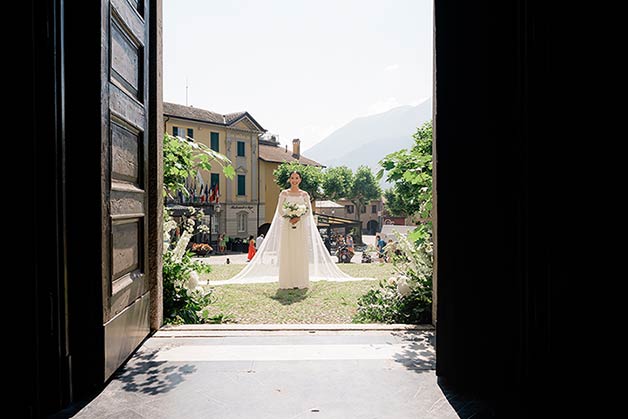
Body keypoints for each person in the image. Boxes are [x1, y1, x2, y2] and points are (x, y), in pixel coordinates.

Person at [221, 170, 358, 288]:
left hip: (301, 226)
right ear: (289, 180)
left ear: (300, 180)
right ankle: (287, 282)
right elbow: (280, 210)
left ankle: (301, 281)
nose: (294, 180)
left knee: (300, 251)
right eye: (292, 178)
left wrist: (298, 217)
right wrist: (289, 216)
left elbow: (308, 211)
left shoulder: (304, 195)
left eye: (296, 178)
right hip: (287, 225)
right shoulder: (284, 194)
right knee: (288, 251)